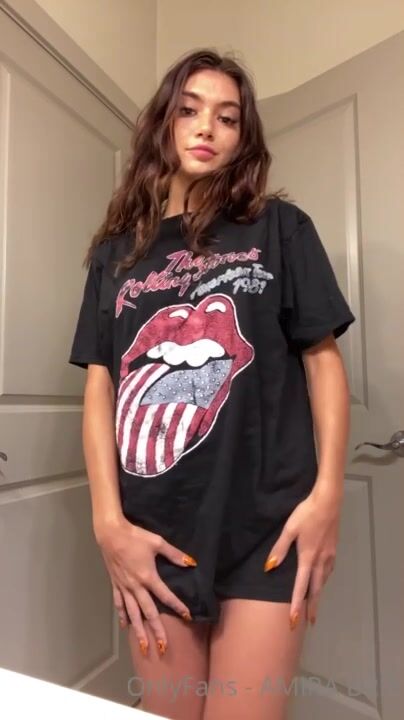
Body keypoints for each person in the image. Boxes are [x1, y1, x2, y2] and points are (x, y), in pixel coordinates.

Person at [68, 48, 355, 720]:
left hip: (267, 527)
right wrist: (108, 524)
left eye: (228, 117)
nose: (207, 127)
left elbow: (322, 361)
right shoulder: (116, 255)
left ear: (243, 137)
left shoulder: (280, 229)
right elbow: (102, 386)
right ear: (163, 124)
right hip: (155, 532)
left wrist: (327, 497)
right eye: (189, 110)